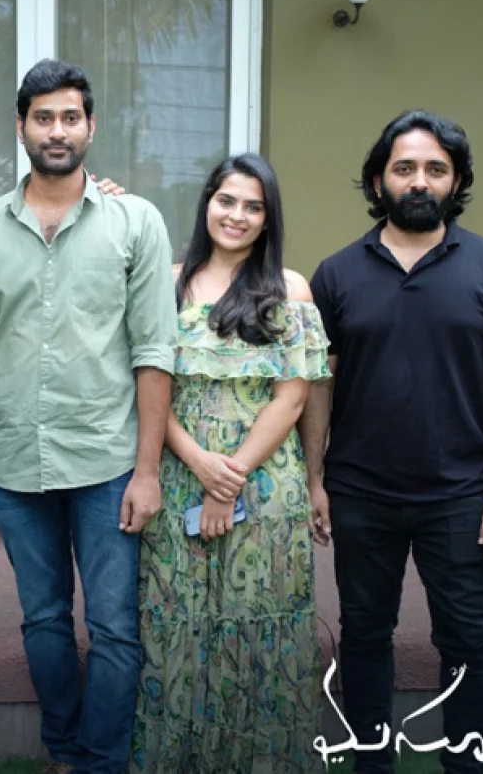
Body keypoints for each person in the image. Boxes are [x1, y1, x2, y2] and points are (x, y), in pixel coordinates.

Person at [299, 110, 483, 774]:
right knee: (364, 634)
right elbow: (318, 386)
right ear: (378, 180)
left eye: (436, 168)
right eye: (404, 167)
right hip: (360, 493)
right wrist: (315, 479)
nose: (419, 180)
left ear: (456, 181)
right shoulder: (336, 274)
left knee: (468, 639)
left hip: (463, 496)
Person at [0, 59, 178, 774]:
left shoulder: (135, 221)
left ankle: (103, 760)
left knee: (114, 626)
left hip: (109, 463)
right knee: (44, 620)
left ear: (91, 126)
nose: (57, 130)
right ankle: (62, 750)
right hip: (17, 466)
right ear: (21, 126)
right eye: (43, 117)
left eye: (70, 117)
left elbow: (154, 351)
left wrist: (147, 471)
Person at [128, 154, 330, 773]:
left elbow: (292, 398)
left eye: (253, 206)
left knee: (255, 621)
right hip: (178, 475)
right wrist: (197, 463)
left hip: (264, 484)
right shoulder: (167, 282)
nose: (237, 215)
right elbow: (150, 385)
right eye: (227, 200)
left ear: (268, 218)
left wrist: (229, 480)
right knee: (180, 621)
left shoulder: (290, 289)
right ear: (207, 204)